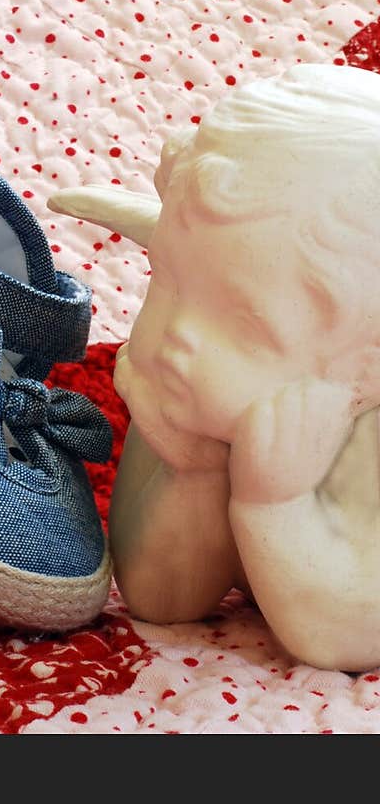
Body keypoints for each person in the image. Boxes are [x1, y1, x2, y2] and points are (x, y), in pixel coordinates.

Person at [50, 63, 380, 671]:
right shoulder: (196, 381)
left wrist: (276, 505)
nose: (179, 336)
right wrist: (192, 473)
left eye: (248, 323)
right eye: (170, 281)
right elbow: (160, 600)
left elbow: (349, 638)